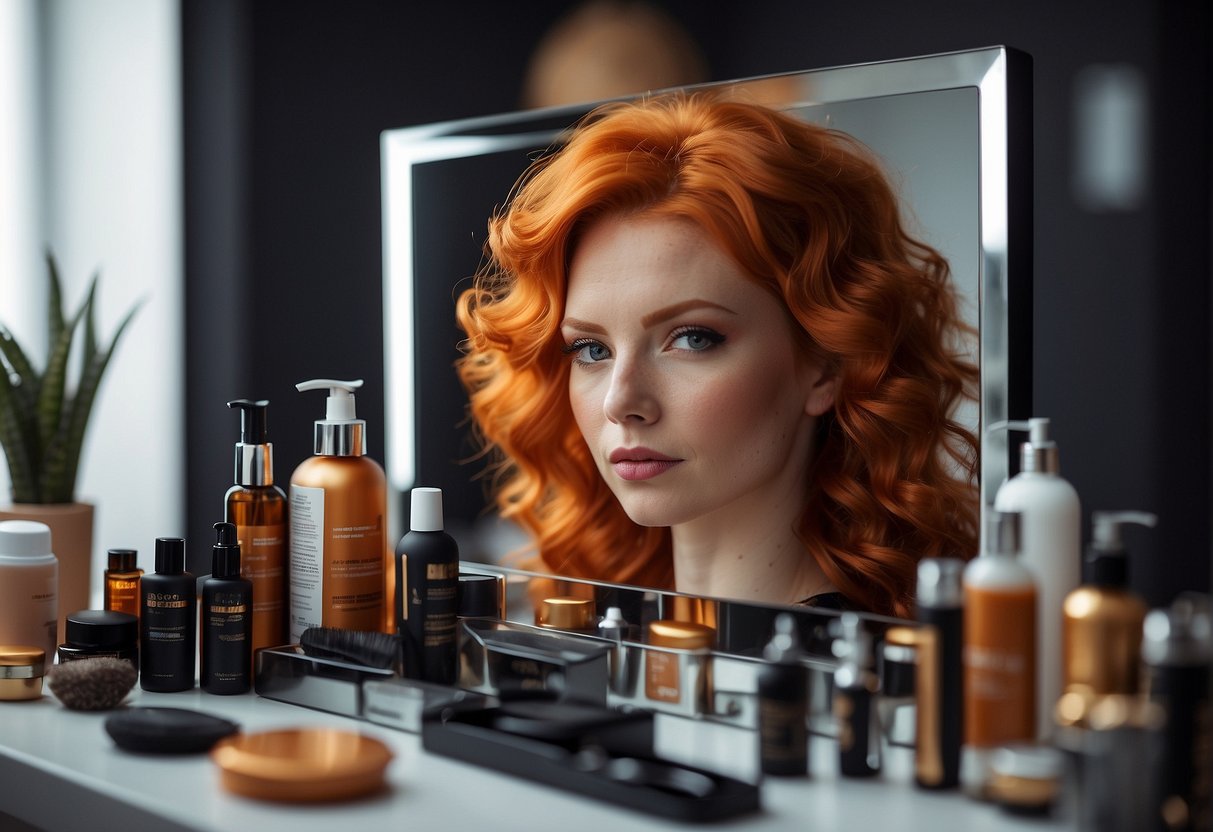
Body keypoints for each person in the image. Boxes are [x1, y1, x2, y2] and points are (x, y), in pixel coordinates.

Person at [455, 94, 978, 618]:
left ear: (828, 364)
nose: (621, 401)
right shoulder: (598, 634)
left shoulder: (878, 680)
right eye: (592, 349)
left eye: (692, 338)